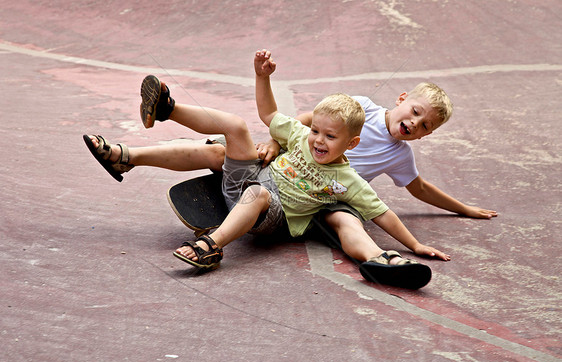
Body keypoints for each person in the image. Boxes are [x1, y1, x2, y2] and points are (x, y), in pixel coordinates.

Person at [84, 49, 440, 289]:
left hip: (270, 213)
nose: (317, 140)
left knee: (259, 194)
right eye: (316, 130)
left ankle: (212, 246)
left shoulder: (346, 181)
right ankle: (136, 142)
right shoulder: (304, 136)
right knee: (234, 130)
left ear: (350, 144)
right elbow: (269, 115)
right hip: (250, 178)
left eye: (329, 137)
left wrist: (414, 244)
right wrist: (262, 77)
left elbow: (382, 213)